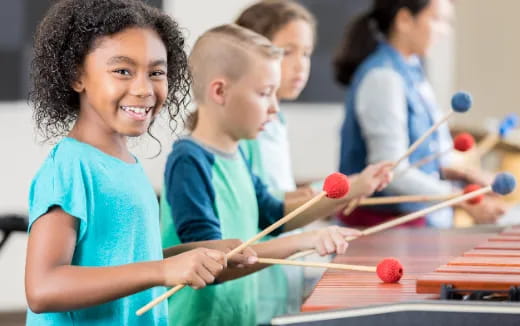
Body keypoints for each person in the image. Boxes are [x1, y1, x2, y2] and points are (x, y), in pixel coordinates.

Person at [25, 1, 257, 325]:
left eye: (156, 72)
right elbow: (43, 288)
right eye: (123, 71)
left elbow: (128, 264)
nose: (143, 88)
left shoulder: (127, 164)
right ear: (77, 76)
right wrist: (162, 270)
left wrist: (196, 254)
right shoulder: (70, 166)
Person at [160, 24, 391, 326]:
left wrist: (354, 189)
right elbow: (212, 262)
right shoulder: (189, 161)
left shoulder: (238, 154)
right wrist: (303, 242)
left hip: (237, 317)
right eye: (264, 93)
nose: (273, 108)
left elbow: (273, 216)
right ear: (220, 91)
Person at [334, 0, 507, 228]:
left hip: (414, 224)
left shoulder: (412, 70)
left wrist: (466, 175)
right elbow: (389, 172)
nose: (444, 32)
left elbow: (422, 156)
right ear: (404, 20)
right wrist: (460, 199)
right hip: (381, 229)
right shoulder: (383, 78)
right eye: (437, 20)